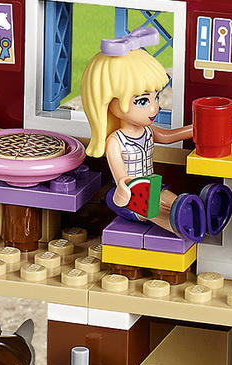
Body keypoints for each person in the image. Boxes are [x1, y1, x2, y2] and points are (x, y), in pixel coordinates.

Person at [75, 29, 197, 232]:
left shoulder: (147, 131)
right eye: (142, 101)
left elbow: (169, 136)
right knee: (153, 210)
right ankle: (178, 227)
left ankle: (195, 215)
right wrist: (125, 187)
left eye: (156, 97)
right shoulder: (115, 141)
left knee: (175, 201)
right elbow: (121, 177)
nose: (154, 108)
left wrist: (195, 129)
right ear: (110, 103)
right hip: (131, 195)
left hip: (153, 187)